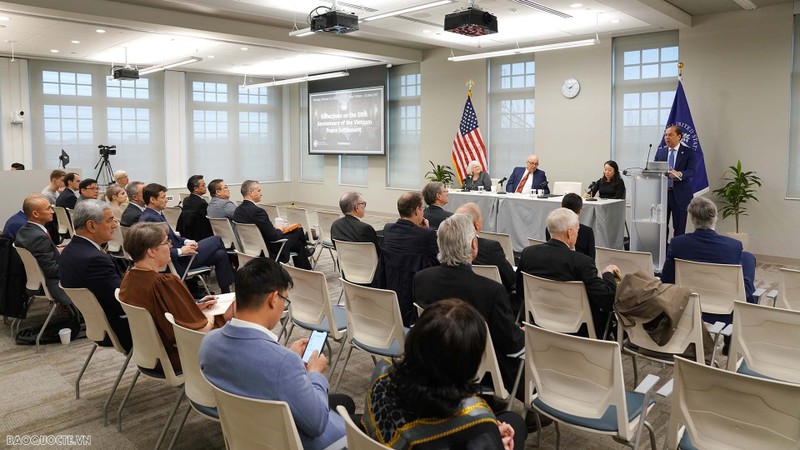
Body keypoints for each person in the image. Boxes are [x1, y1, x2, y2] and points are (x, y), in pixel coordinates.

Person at [199, 258, 352, 450]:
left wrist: (287, 354)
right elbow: (317, 424)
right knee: (355, 417)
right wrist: (314, 373)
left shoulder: (208, 343)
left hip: (249, 436)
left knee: (344, 402)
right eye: (285, 300)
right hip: (296, 442)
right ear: (273, 299)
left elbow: (253, 367)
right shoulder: (283, 363)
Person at [363, 299, 526, 450]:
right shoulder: (477, 417)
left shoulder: (383, 371)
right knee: (516, 422)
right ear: (469, 362)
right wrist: (494, 441)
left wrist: (486, 430)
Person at [413, 214, 523, 390]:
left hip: (435, 360)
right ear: (474, 245)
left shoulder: (421, 278)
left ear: (440, 244)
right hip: (481, 370)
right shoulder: (492, 290)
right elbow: (511, 344)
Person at [119, 223, 233, 371]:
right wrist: (213, 317)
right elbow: (200, 329)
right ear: (152, 251)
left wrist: (195, 306)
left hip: (152, 353)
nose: (171, 246)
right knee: (235, 312)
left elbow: (163, 312)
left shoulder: (128, 279)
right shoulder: (163, 283)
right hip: (179, 354)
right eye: (166, 242)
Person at [516, 208, 619, 338]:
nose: (577, 234)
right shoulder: (582, 262)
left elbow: (520, 290)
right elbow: (607, 300)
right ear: (570, 232)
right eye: (577, 230)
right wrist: (608, 274)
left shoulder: (528, 253)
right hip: (579, 330)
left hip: (540, 323)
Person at [660, 196, 757, 323]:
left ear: (692, 219)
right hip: (726, 309)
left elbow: (666, 279)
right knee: (748, 258)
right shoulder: (733, 246)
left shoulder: (677, 243)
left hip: (687, 304)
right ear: (715, 217)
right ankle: (731, 337)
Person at [59, 200, 132, 352]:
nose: (115, 225)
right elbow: (123, 302)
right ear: (91, 225)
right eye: (110, 220)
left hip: (98, 326)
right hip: (122, 328)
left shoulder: (69, 251)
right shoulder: (94, 260)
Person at [139, 183, 236, 293]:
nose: (166, 200)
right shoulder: (150, 219)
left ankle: (226, 292)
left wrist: (186, 241)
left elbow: (172, 236)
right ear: (152, 199)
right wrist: (181, 251)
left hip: (182, 254)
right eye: (163, 197)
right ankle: (229, 283)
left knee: (220, 255)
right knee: (217, 239)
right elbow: (155, 250)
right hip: (179, 260)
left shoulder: (155, 214)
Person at [377, 192, 438, 326]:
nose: (423, 213)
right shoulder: (427, 235)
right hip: (416, 293)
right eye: (423, 209)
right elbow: (435, 262)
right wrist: (426, 230)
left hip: (391, 286)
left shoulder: (388, 229)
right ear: (416, 211)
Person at [233, 180, 312, 269]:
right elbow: (274, 236)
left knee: (298, 245)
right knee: (298, 231)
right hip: (268, 249)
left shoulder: (238, 211)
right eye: (259, 191)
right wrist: (279, 229)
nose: (261, 194)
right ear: (251, 193)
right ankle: (306, 255)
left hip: (248, 247)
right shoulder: (258, 212)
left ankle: (305, 263)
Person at [14, 194, 72, 306]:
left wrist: (56, 250)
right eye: (48, 209)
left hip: (37, 281)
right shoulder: (39, 237)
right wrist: (72, 262)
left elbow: (43, 256)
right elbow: (52, 271)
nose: (52, 212)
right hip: (55, 284)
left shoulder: (24, 231)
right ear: (35, 214)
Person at [455, 202, 516, 303]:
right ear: (477, 225)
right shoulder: (490, 248)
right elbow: (510, 279)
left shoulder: (447, 247)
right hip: (491, 302)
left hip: (458, 300)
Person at [655, 125, 696, 237]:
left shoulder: (689, 152)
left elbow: (692, 171)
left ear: (679, 136)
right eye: (665, 135)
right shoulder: (661, 152)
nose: (667, 137)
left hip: (681, 194)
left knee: (679, 227)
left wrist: (679, 174)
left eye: (670, 135)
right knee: (662, 227)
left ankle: (676, 251)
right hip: (663, 195)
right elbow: (654, 170)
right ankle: (664, 251)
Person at [545, 193, 596, 260]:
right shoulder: (587, 232)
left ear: (561, 207)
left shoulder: (552, 227)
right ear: (580, 211)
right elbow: (591, 257)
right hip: (580, 266)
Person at [176, 175, 213, 241]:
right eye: (203, 185)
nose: (205, 187)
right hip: (201, 237)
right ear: (196, 189)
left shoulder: (186, 200)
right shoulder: (202, 204)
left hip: (187, 236)